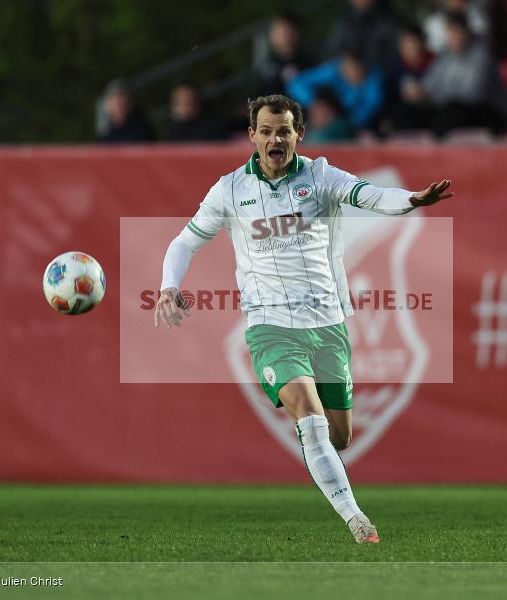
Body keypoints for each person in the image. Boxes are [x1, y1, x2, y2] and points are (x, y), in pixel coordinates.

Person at [153, 94, 453, 544]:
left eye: (285, 131)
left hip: (328, 323)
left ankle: (317, 450)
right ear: (252, 136)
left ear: (299, 135)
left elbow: (368, 196)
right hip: (270, 327)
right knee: (310, 419)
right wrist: (168, 287)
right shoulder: (230, 190)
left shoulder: (320, 175)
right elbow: (185, 242)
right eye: (267, 131)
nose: (276, 139)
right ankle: (357, 520)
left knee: (340, 436)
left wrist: (410, 199)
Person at [420, 12, 507, 136]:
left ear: (466, 33)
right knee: (414, 113)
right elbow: (428, 85)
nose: (452, 38)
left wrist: (438, 96)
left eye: (456, 32)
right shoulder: (444, 57)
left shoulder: (482, 56)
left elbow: (474, 94)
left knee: (450, 113)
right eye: (450, 33)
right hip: (452, 109)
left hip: (489, 112)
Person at [288, 51, 386, 130]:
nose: (353, 73)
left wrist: (336, 120)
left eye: (357, 68)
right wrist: (314, 104)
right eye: (349, 67)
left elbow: (368, 110)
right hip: (319, 118)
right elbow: (297, 84)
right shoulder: (334, 71)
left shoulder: (374, 81)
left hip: (351, 126)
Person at [252, 12, 317, 97]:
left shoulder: (309, 60)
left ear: (297, 33)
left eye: (288, 31)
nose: (285, 36)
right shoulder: (267, 68)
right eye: (279, 32)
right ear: (271, 36)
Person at [97, 79, 155, 143]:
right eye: (116, 101)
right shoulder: (105, 134)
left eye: (124, 101)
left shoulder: (141, 128)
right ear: (106, 105)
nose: (120, 104)